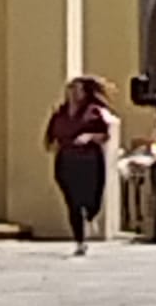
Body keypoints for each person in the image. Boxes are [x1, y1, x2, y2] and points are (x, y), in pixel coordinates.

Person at [45, 76, 112, 254]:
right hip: (67, 161)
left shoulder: (94, 112)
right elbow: (50, 135)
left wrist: (89, 136)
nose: (74, 94)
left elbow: (105, 134)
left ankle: (90, 215)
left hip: (89, 162)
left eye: (78, 90)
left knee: (90, 199)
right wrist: (51, 143)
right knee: (72, 202)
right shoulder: (60, 113)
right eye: (70, 90)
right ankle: (80, 240)